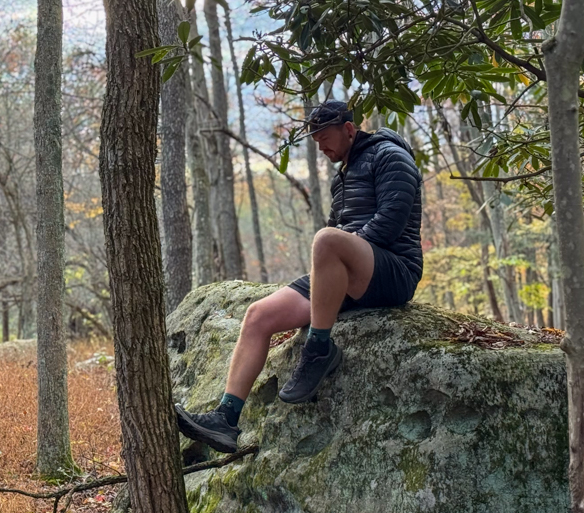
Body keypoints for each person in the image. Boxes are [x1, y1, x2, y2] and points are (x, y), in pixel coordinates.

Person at [175, 100, 423, 453]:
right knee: (259, 315)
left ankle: (319, 349)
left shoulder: (390, 157)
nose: (321, 148)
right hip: (351, 268)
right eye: (316, 142)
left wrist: (337, 258)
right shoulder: (344, 176)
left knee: (326, 240)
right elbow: (336, 230)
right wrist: (329, 274)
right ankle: (226, 418)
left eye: (325, 139)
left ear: (349, 130)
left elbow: (390, 225)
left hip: (394, 270)